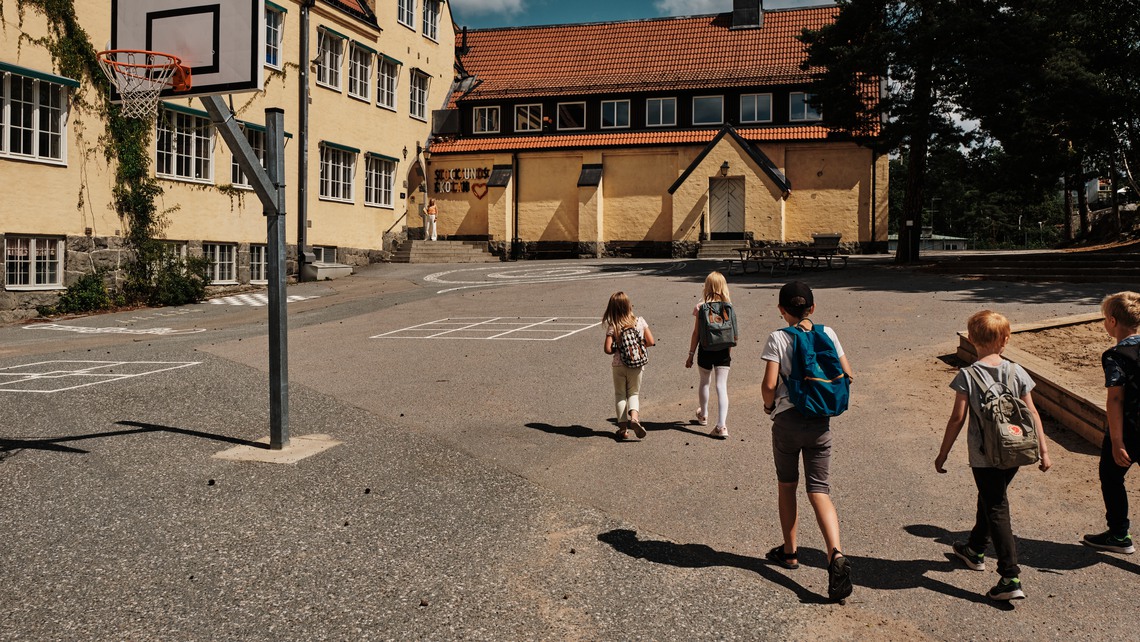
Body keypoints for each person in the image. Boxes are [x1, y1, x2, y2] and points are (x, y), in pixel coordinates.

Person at [935, 310, 1051, 601]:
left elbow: (957, 418)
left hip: (984, 456)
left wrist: (943, 453)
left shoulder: (967, 375)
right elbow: (1033, 413)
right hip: (1016, 450)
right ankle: (975, 549)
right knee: (991, 496)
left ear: (971, 339)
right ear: (1006, 340)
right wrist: (1043, 450)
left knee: (996, 505)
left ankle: (1010, 576)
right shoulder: (1017, 371)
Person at [761, 281, 854, 602]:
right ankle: (835, 554)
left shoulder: (778, 338)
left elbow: (769, 385)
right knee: (819, 491)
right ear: (812, 308)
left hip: (787, 423)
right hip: (819, 424)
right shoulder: (828, 333)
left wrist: (769, 407)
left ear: (781, 309)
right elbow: (847, 373)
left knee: (787, 486)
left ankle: (790, 552)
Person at [1083, 291, 1140, 555]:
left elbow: (1115, 399)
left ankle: (1119, 534)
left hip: (1128, 431)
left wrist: (1117, 441)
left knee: (1111, 476)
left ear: (1113, 321)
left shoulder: (1116, 355)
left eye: (1105, 318)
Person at [685, 271, 738, 439]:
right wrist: (728, 353)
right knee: (721, 386)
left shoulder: (701, 307)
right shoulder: (728, 307)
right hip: (723, 351)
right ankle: (722, 426)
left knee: (704, 382)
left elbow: (696, 333)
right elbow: (733, 335)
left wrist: (691, 354)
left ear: (707, 287)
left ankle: (703, 415)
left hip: (705, 349)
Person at [602, 291, 655, 440]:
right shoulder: (639, 321)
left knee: (620, 394)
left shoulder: (614, 325)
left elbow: (607, 349)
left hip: (619, 365)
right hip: (636, 364)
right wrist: (637, 347)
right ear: (629, 306)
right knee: (633, 393)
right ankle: (635, 419)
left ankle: (623, 430)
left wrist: (619, 347)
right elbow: (651, 341)